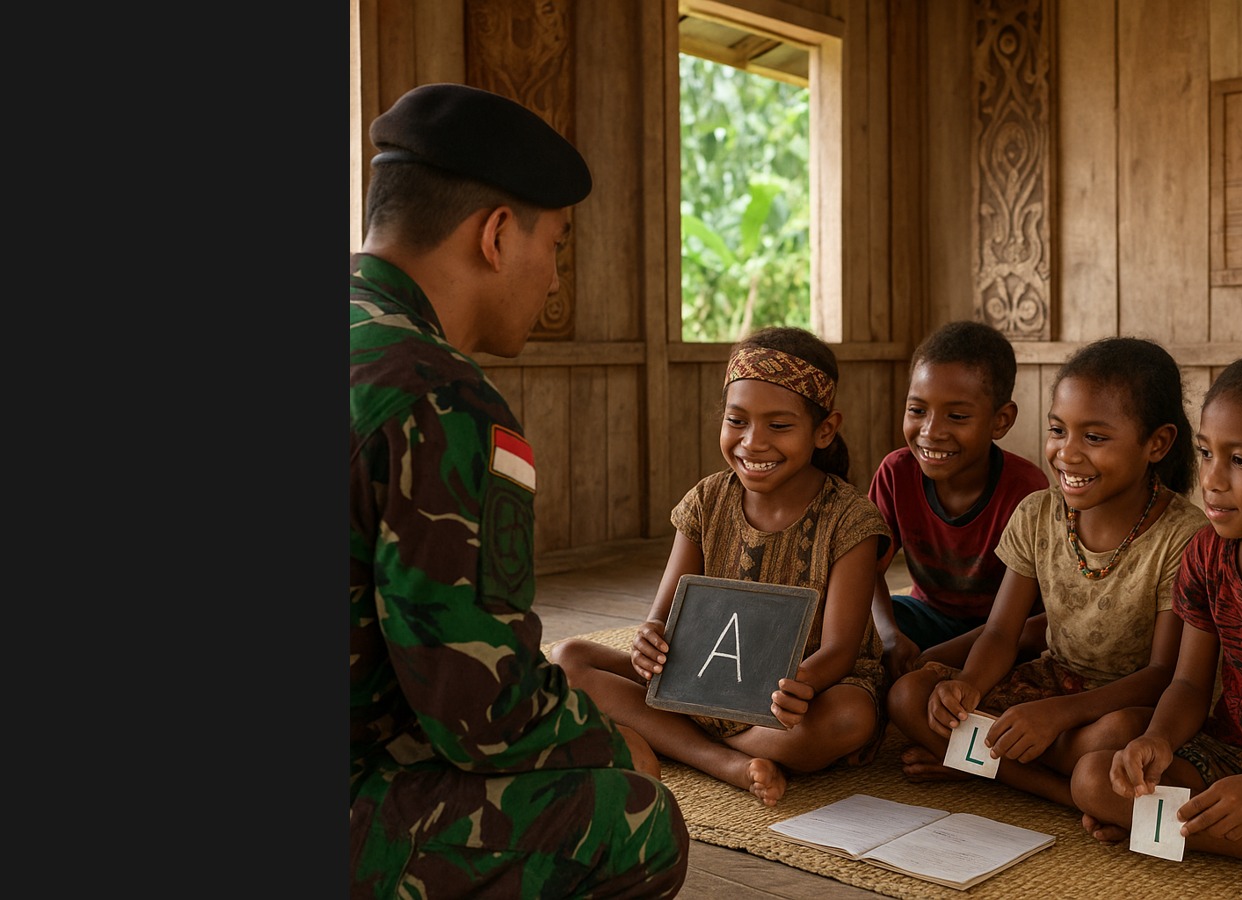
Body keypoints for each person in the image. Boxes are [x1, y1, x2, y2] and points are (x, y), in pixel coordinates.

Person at [349, 83, 689, 899]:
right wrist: (608, 745)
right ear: (498, 235)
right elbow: (482, 709)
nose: (554, 277)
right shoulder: (438, 395)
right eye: (558, 246)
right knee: (638, 818)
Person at [550, 326, 892, 808]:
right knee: (568, 660)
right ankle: (723, 761)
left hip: (794, 694)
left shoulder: (851, 519)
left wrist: (801, 688)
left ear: (824, 430)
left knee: (850, 719)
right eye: (738, 421)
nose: (753, 443)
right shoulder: (707, 500)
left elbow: (839, 649)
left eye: (779, 425)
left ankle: (679, 736)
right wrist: (650, 639)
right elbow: (663, 615)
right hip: (703, 675)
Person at [886, 336, 1208, 799]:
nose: (1068, 454)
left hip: (1125, 699)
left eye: (1094, 437)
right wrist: (969, 686)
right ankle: (1036, 776)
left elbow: (1163, 673)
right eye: (1058, 430)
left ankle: (992, 766)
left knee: (1111, 738)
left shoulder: (1182, 536)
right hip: (1049, 678)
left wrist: (1060, 714)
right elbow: (1000, 633)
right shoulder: (1038, 513)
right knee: (910, 695)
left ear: (1157, 443)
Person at [1071, 355, 1242, 860]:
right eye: (1206, 453)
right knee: (1094, 778)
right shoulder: (1208, 554)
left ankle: (1166, 831)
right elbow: (1190, 683)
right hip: (1228, 753)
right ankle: (1192, 831)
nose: (1212, 480)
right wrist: (1157, 740)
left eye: (1241, 460)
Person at [868, 320, 1050, 685]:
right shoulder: (896, 473)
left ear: (1001, 421)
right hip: (926, 616)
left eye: (957, 416)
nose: (931, 431)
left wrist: (931, 660)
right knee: (845, 622)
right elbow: (863, 571)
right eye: (917, 410)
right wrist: (889, 636)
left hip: (1007, 630)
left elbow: (1038, 620)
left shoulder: (1026, 491)